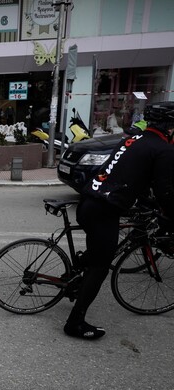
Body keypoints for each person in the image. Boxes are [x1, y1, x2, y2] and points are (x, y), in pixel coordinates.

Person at [66, 101, 174, 340]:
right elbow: (164, 190)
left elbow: (128, 172)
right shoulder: (163, 149)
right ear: (168, 126)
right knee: (100, 267)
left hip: (88, 201)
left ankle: (77, 281)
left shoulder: (132, 140)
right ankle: (75, 323)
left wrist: (142, 200)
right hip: (103, 210)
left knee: (97, 253)